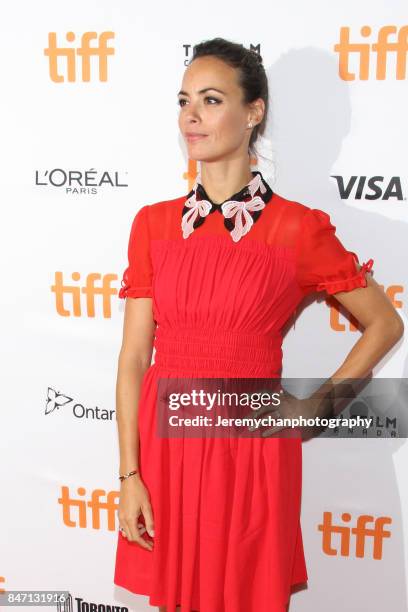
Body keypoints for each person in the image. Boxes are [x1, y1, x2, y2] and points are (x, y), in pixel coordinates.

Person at [113, 37, 404, 612]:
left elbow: (384, 324)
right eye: (184, 100)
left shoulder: (296, 229)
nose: (191, 116)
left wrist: (319, 404)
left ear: (254, 113)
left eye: (212, 100)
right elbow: (131, 360)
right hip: (165, 452)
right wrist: (129, 475)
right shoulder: (152, 224)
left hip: (250, 448)